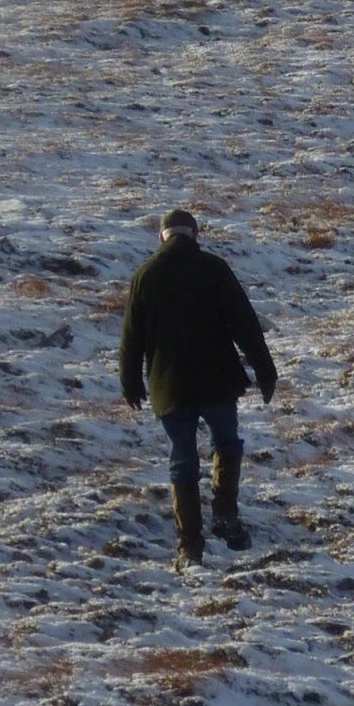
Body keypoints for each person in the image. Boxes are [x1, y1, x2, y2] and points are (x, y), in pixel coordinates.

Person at [119, 208, 278, 567]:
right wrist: (265, 370)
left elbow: (132, 337)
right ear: (195, 234)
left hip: (169, 385)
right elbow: (245, 324)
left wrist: (130, 381)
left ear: (161, 236)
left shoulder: (145, 276)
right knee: (226, 442)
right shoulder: (214, 269)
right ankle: (225, 515)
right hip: (217, 380)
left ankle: (189, 543)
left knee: (182, 458)